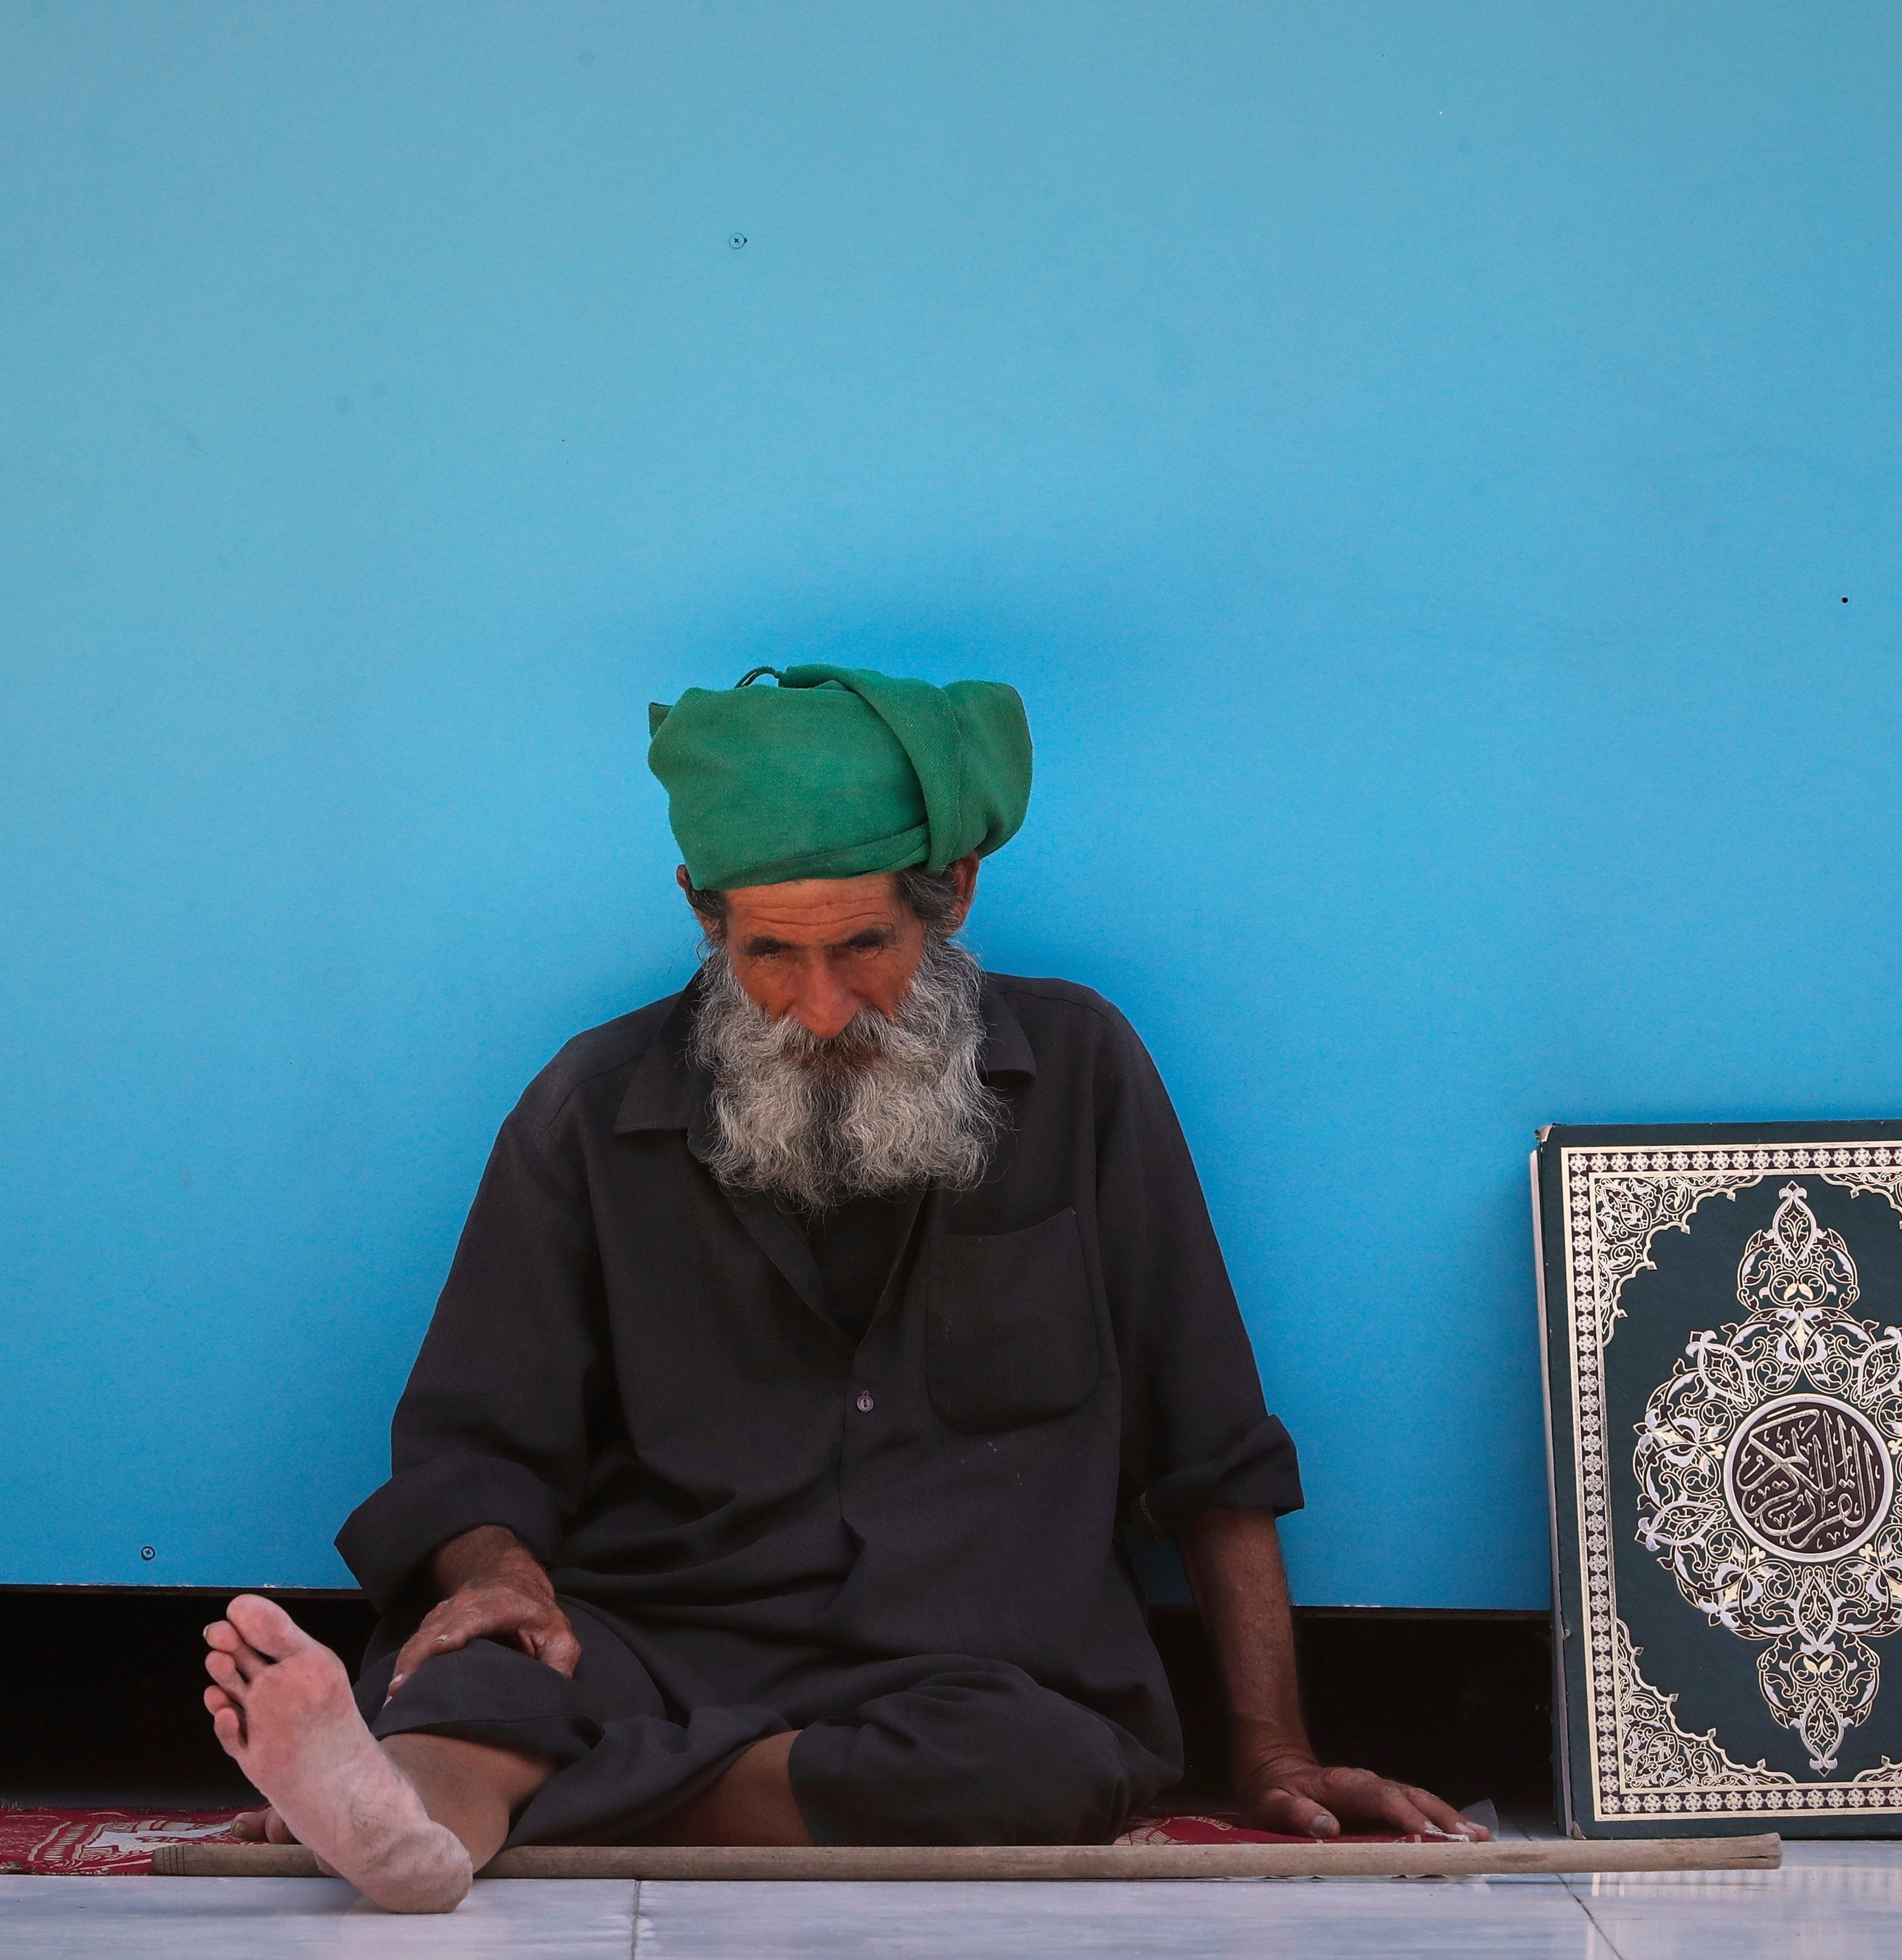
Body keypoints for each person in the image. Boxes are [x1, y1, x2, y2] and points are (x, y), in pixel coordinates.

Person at [198, 664, 1482, 1911]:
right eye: (770, 954)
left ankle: (480, 1804)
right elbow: (476, 1442)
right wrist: (501, 1579)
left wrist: (1273, 1752)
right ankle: (416, 1826)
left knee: (1037, 1769)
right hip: (656, 1634)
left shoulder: (1082, 1069)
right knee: (483, 1675)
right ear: (706, 914)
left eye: (865, 946)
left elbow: (1211, 1445)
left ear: (952, 895)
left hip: (974, 1671)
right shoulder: (591, 1105)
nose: (819, 1010)